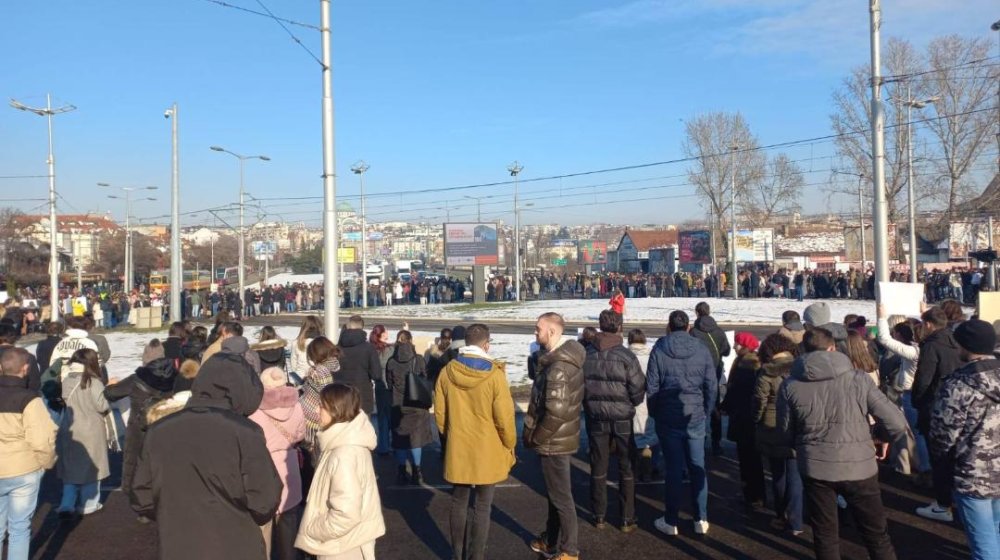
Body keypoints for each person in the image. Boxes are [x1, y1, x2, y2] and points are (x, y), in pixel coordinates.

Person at [130, 329, 282, 560]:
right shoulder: (245, 433)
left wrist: (176, 515)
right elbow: (264, 501)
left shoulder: (159, 431)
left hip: (178, 544)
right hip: (236, 545)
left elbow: (142, 496)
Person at [777, 328, 908, 560]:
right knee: (876, 535)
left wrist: (805, 447)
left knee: (825, 534)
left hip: (816, 467)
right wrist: (880, 437)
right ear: (832, 348)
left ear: (804, 350)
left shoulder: (790, 385)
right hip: (858, 465)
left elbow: (785, 432)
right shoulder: (858, 379)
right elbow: (896, 422)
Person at [434, 323, 516, 560]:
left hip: (458, 445)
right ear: (486, 345)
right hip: (488, 448)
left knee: (458, 501)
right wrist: (509, 443)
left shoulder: (447, 372)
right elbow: (505, 418)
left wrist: (450, 436)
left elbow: (440, 414)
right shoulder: (495, 375)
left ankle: (456, 554)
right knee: (482, 505)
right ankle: (476, 555)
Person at [930, 319, 1000, 560]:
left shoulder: (957, 385)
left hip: (974, 474)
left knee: (983, 544)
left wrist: (942, 467)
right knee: (995, 533)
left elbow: (942, 437)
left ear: (965, 345)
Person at [647, 310, 717, 536]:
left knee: (674, 469)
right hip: (694, 414)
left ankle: (671, 520)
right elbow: (711, 384)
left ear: (670, 326)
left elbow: (652, 386)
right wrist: (706, 410)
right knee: (697, 467)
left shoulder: (660, 348)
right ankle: (700, 518)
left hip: (669, 417)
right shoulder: (701, 348)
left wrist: (655, 412)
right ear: (688, 327)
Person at [295, 384, 385, 560]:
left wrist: (312, 528)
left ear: (335, 410)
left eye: (321, 406)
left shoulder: (343, 453)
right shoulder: (345, 441)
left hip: (342, 547)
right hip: (349, 541)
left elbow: (346, 514)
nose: (316, 410)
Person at [524, 312, 586, 560]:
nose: (535, 332)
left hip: (554, 441)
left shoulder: (558, 368)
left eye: (538, 328)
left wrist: (537, 437)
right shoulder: (557, 359)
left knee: (561, 498)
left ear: (551, 331)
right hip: (559, 438)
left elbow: (555, 412)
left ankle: (570, 550)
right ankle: (550, 541)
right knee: (555, 494)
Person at [581, 309, 645, 532]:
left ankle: (599, 514)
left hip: (596, 416)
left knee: (598, 465)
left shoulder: (587, 354)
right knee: (626, 467)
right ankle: (627, 517)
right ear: (619, 327)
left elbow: (580, 386)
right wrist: (629, 403)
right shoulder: (626, 356)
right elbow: (638, 389)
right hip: (621, 417)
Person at [103, 351, 177, 518]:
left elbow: (110, 394)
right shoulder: (174, 379)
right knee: (161, 465)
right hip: (165, 426)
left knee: (135, 463)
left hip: (138, 428)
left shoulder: (137, 379)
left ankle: (140, 503)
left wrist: (111, 384)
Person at [0, 347, 57, 560]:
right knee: (19, 528)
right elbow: (43, 439)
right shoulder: (30, 400)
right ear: (25, 369)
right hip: (23, 469)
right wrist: (47, 463)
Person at [249, 367, 306, 560]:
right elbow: (300, 435)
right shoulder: (296, 406)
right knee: (289, 522)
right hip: (289, 463)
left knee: (263, 524)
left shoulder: (254, 410)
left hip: (264, 468)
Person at [912, 306, 962, 522]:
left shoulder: (932, 346)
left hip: (934, 406)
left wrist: (917, 402)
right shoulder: (956, 341)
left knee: (939, 459)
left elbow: (924, 379)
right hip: (957, 405)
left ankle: (943, 505)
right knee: (955, 457)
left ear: (928, 324)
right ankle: (955, 500)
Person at [752, 334, 803, 535]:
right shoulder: (801, 367)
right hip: (797, 424)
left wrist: (756, 420)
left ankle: (782, 515)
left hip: (772, 425)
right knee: (795, 474)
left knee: (778, 473)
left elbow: (759, 402)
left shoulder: (767, 373)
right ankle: (796, 520)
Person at [56, 348, 111, 518]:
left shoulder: (66, 379)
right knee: (92, 467)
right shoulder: (93, 382)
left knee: (71, 469)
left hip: (69, 427)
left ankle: (66, 504)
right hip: (91, 429)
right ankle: (89, 504)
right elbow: (102, 405)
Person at [721, 332, 765, 511]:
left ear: (745, 345)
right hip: (746, 417)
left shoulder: (747, 366)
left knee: (749, 459)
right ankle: (753, 494)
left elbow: (736, 391)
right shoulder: (747, 362)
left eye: (737, 343)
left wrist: (726, 405)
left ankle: (754, 495)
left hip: (745, 418)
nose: (734, 346)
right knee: (750, 458)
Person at [385, 330, 433, 484]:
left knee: (400, 439)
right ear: (411, 341)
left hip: (398, 404)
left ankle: (401, 472)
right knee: (416, 438)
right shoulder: (418, 360)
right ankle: (417, 472)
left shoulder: (391, 362)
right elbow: (424, 378)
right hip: (417, 404)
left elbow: (389, 383)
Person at [689, 301, 731, 456]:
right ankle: (716, 442)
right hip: (715, 372)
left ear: (696, 313)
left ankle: (700, 439)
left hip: (698, 374)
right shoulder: (718, 331)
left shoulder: (693, 332)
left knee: (698, 407)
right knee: (715, 407)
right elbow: (726, 351)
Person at [626, 329, 659, 482]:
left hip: (632, 401)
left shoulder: (626, 357)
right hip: (650, 401)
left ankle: (635, 469)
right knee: (650, 436)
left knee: (633, 435)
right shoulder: (653, 356)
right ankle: (650, 467)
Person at [300, 337, 342, 453]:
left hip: (314, 421)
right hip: (333, 418)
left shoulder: (319, 372)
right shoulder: (336, 366)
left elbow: (324, 397)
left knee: (314, 455)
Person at [337, 315, 381, 419]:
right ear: (361, 327)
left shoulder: (337, 348)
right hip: (362, 395)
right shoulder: (368, 348)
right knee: (363, 426)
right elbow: (376, 375)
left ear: (348, 326)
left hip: (341, 395)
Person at [369, 324, 394, 456]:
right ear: (382, 334)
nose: (388, 332)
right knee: (390, 416)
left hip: (379, 386)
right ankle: (389, 445)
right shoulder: (389, 350)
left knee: (382, 417)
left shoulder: (372, 349)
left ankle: (383, 445)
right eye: (386, 331)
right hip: (389, 386)